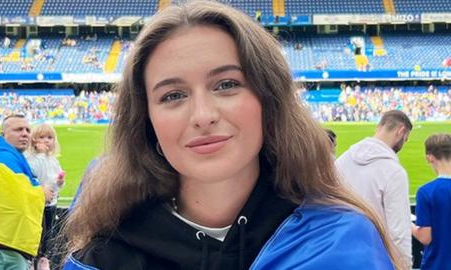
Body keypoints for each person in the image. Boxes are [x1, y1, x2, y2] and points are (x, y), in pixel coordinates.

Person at [63, 1, 405, 269]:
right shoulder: (103, 257)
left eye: (227, 85)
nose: (203, 116)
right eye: (172, 95)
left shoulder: (341, 243)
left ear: (269, 100)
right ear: (146, 120)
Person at [0, 114, 51, 270]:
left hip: (3, 247)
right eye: (18, 129)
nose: (25, 133)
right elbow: (15, 196)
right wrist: (41, 193)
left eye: (28, 130)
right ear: (3, 134)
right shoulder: (0, 156)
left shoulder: (12, 158)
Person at [335, 110, 413, 266]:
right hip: (375, 259)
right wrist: (405, 265)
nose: (404, 144)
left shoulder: (342, 161)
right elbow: (398, 233)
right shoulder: (393, 172)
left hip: (341, 253)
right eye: (406, 139)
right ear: (401, 131)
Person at [25, 123, 65, 270]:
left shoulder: (53, 160)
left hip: (51, 203)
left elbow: (56, 182)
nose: (46, 140)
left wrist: (60, 182)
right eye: (42, 137)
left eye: (49, 137)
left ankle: (43, 258)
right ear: (34, 140)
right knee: (37, 233)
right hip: (37, 203)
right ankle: (33, 259)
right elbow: (35, 172)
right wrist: (41, 155)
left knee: (49, 233)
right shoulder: (32, 158)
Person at [412, 133, 451, 270]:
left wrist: (406, 222)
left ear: (429, 157)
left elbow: (425, 237)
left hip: (438, 264)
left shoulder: (427, 192)